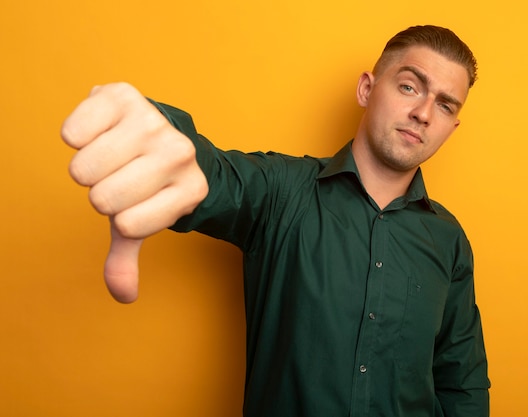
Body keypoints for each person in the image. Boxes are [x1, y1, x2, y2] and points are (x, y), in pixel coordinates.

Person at [62, 25, 490, 417]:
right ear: (367, 88)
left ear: (452, 126)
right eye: (410, 86)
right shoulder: (282, 191)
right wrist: (158, 129)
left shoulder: (449, 240)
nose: (423, 113)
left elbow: (462, 383)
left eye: (445, 104)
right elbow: (210, 173)